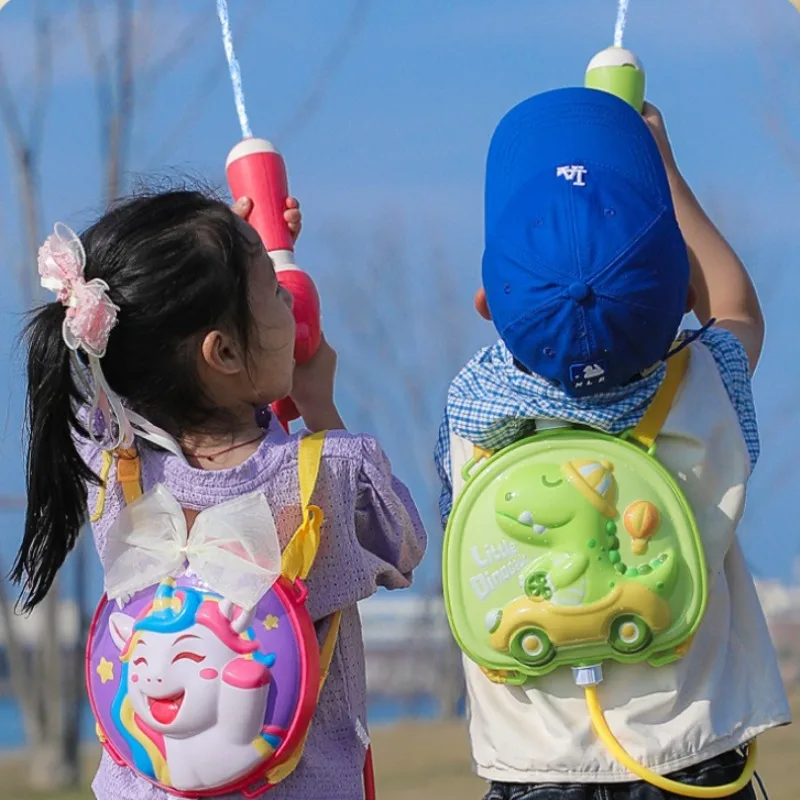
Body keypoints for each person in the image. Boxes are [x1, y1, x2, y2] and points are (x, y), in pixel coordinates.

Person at [434, 87, 790, 800]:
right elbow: (737, 308)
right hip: (691, 759)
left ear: (486, 305)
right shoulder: (705, 387)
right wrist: (664, 165)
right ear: (683, 291)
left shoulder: (469, 421)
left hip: (531, 774)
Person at [14, 187, 427, 800]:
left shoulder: (115, 471)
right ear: (225, 351)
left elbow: (106, 370)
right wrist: (319, 407)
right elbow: (402, 546)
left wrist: (210, 260)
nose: (290, 301)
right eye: (276, 291)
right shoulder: (325, 479)